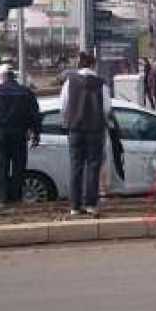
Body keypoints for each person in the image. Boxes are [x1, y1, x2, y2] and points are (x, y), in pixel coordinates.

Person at [60, 52, 112, 218]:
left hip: (75, 129)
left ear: (79, 65)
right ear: (93, 65)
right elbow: (106, 108)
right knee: (93, 166)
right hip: (95, 130)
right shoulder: (101, 84)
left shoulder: (70, 82)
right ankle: (90, 204)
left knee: (76, 166)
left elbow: (64, 105)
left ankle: (75, 206)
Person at [0, 63, 40, 204]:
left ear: (2, 76)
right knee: (19, 167)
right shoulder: (25, 92)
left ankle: (4, 198)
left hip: (1, 133)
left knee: (3, 166)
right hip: (19, 133)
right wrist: (36, 133)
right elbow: (35, 115)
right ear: (13, 76)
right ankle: (16, 196)